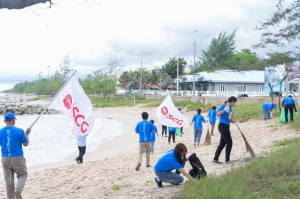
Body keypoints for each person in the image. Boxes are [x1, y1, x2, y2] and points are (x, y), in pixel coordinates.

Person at [0, 112, 31, 199]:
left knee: (9, 180)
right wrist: (27, 134)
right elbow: (26, 144)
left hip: (5, 158)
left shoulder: (0, 132)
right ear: (13, 120)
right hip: (18, 157)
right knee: (22, 174)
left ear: (4, 121)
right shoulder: (19, 131)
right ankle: (18, 190)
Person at [213, 96, 237, 164]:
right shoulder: (224, 106)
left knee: (222, 143)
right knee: (229, 143)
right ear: (232, 101)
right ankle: (227, 160)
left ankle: (215, 159)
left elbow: (229, 119)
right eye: (234, 102)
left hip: (227, 125)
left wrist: (234, 121)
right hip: (222, 126)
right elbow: (217, 114)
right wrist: (224, 110)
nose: (234, 104)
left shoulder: (231, 108)